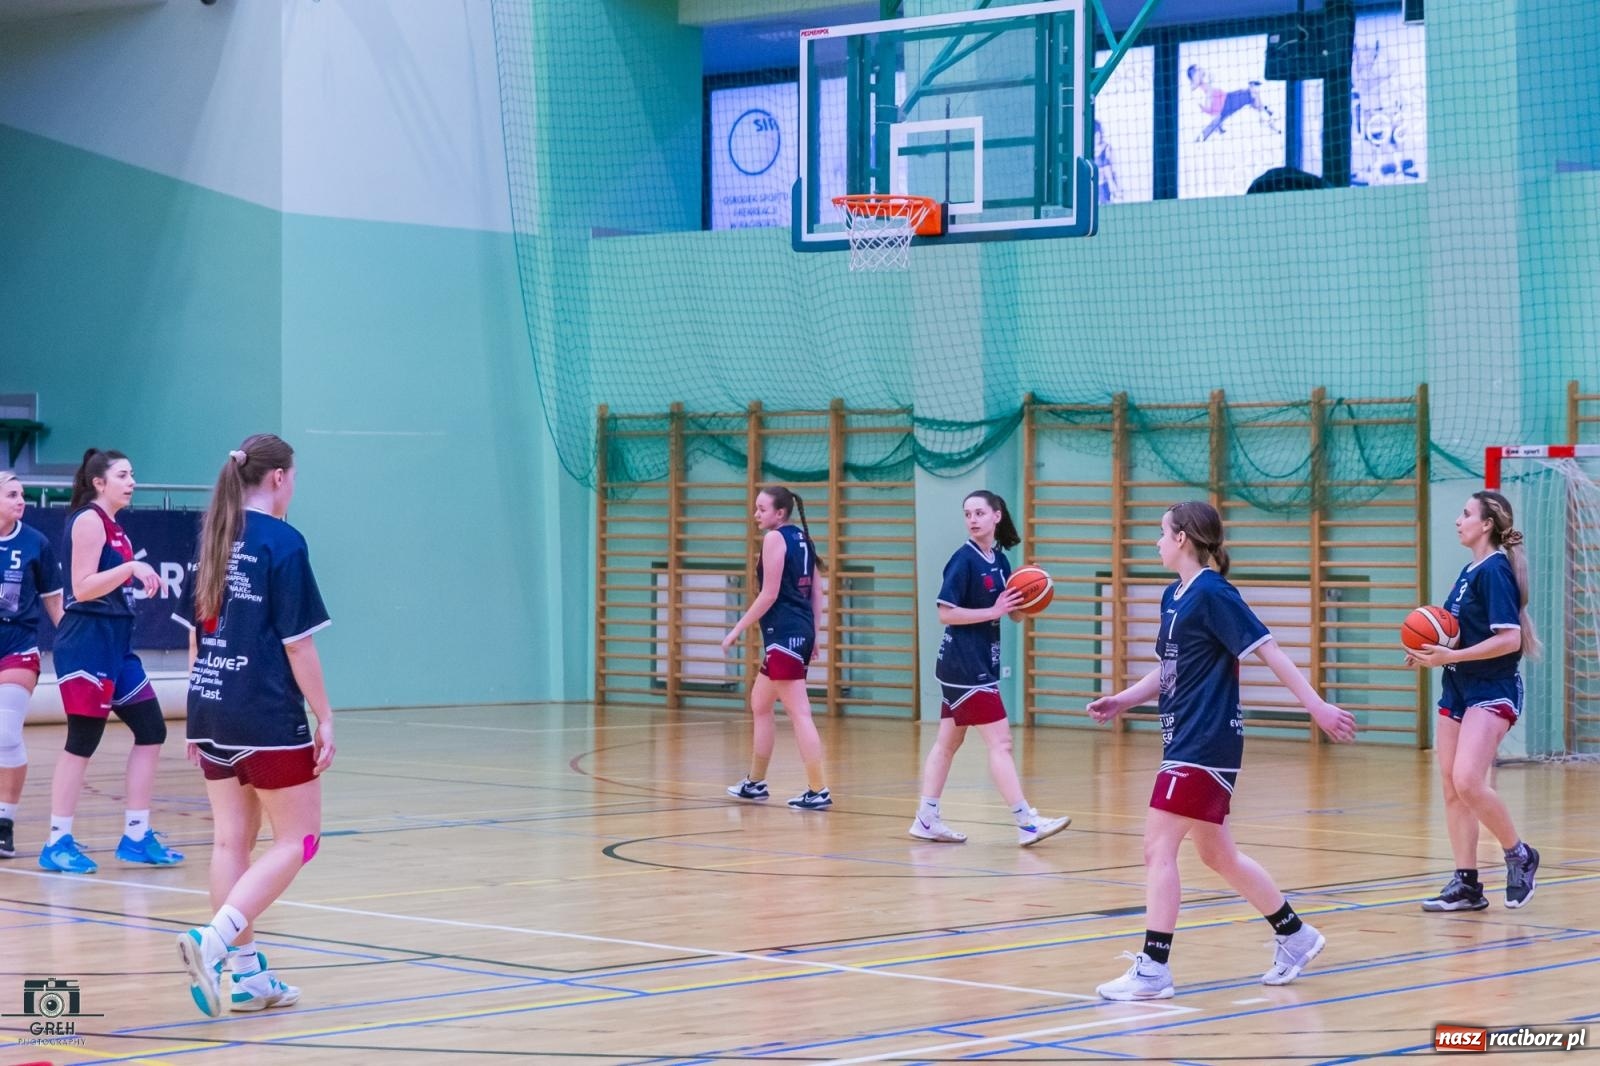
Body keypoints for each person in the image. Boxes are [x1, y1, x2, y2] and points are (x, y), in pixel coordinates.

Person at [1087, 501, 1356, 1000]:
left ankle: (1154, 969)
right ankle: (1296, 935)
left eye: (1162, 533)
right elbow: (1170, 671)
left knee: (1157, 848)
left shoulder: (1213, 592)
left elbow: (1269, 650)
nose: (1156, 541)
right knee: (1217, 853)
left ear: (1184, 538)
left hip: (1205, 741)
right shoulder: (1175, 595)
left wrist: (1316, 707)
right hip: (1184, 734)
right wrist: (1122, 700)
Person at [174, 435, 333, 1017]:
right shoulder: (283, 542)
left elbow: (197, 634)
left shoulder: (213, 536)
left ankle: (246, 977)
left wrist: (196, 712)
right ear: (278, 479)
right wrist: (326, 714)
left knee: (229, 841)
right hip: (265, 713)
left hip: (212, 707)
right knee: (300, 840)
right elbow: (298, 645)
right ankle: (211, 944)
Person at [39, 449, 179, 874]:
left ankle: (136, 835)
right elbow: (80, 588)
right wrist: (132, 567)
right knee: (83, 739)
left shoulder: (115, 527)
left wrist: (132, 570)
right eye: (123, 475)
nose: (131, 481)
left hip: (117, 642)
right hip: (87, 642)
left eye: (133, 474)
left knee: (152, 729)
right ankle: (57, 841)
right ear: (99, 483)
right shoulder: (87, 520)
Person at [909, 490, 1071, 847]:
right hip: (964, 666)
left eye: (979, 512)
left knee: (947, 742)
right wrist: (993, 611)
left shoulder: (999, 559)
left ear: (997, 515)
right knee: (1001, 741)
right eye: (967, 513)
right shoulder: (962, 560)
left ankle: (926, 817)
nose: (972, 519)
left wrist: (1032, 597)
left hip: (978, 662)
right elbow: (945, 613)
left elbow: (1011, 612)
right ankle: (1026, 821)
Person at [1408, 491, 1540, 912]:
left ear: (1486, 524)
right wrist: (1428, 646)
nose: (1458, 520)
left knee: (1468, 779)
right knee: (1451, 786)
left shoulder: (1495, 571)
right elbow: (1458, 630)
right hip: (1458, 688)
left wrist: (1453, 655)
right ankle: (1466, 883)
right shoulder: (1470, 571)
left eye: (1465, 514)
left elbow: (1510, 638)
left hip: (1491, 688)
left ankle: (1519, 854)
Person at [721, 486, 831, 811]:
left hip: (784, 634)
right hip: (797, 633)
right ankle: (755, 783)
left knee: (800, 712)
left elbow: (768, 594)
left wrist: (735, 631)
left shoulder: (774, 539)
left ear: (779, 513)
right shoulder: (803, 539)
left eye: (761, 509)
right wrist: (815, 635)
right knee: (760, 703)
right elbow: (817, 593)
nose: (756, 515)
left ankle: (818, 788)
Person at [0, 471, 65, 859]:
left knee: (6, 734)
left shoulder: (35, 543)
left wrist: (74, 650)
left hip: (19, 647)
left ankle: (4, 822)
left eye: (22, 494)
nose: (20, 500)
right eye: (11, 494)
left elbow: (55, 606)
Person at [1188, 65, 1280, 141]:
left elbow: (1206, 77)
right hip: (1225, 105)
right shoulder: (1197, 91)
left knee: (1251, 94)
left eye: (1199, 69)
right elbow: (1208, 107)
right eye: (1197, 70)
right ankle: (1267, 116)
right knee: (1251, 94)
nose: (1200, 71)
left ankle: (1266, 113)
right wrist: (1217, 116)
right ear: (1193, 76)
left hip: (1227, 98)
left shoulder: (1201, 84)